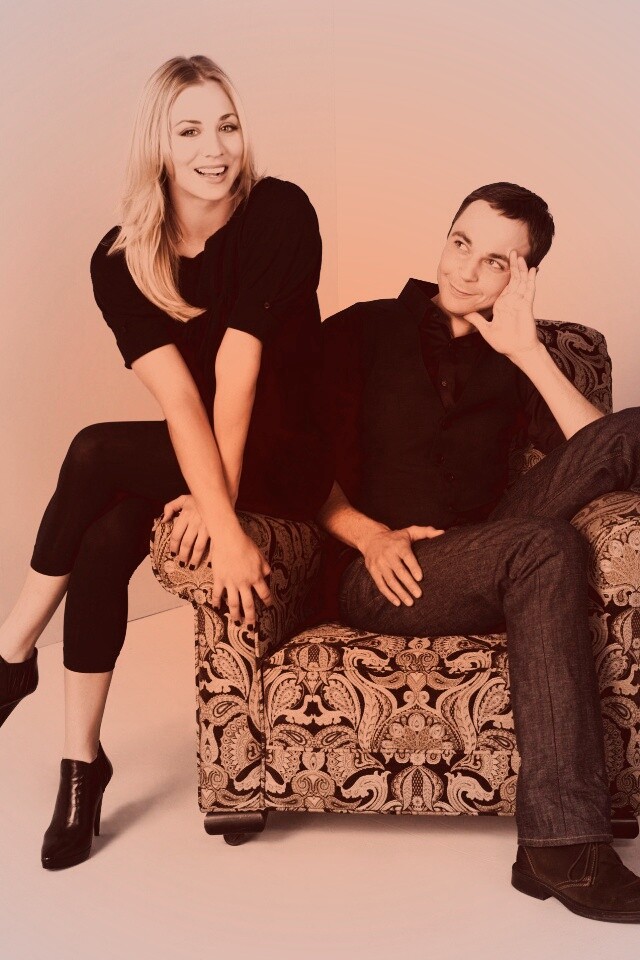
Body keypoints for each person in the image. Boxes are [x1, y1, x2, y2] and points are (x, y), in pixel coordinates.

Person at [0, 55, 330, 870]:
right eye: (189, 131)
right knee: (106, 536)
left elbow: (238, 372)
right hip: (208, 441)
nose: (214, 149)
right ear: (158, 144)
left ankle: (9, 656)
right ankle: (81, 768)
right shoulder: (121, 259)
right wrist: (207, 493)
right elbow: (181, 398)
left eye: (227, 125)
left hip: (289, 451)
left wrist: (222, 518)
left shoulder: (280, 210)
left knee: (94, 450)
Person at [317, 182, 640, 923]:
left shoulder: (517, 353)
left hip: (487, 546)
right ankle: (562, 846)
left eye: (495, 261)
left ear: (523, 276)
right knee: (546, 547)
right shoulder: (361, 329)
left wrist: (527, 352)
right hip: (384, 568)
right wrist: (368, 534)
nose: (465, 270)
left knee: (631, 430)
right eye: (461, 243)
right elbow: (292, 455)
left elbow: (603, 453)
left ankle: (550, 851)